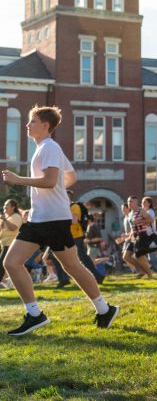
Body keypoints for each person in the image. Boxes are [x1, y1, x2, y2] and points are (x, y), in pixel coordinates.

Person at [0, 105, 118, 335]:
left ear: (45, 125)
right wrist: (54, 195)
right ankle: (35, 315)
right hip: (38, 218)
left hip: (54, 220)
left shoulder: (50, 147)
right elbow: (70, 177)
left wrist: (19, 180)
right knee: (11, 262)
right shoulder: (45, 148)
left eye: (32, 121)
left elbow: (50, 180)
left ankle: (104, 309)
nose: (27, 125)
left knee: (73, 266)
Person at [66, 190, 105, 285]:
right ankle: (94, 277)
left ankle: (97, 276)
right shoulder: (66, 207)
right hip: (70, 237)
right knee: (77, 258)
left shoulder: (74, 207)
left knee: (83, 258)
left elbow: (74, 221)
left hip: (76, 237)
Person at [0, 199, 24, 288]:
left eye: (7, 205)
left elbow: (13, 228)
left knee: (2, 263)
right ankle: (11, 282)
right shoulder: (5, 217)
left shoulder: (16, 216)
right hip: (3, 244)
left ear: (13, 207)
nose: (4, 207)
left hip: (11, 244)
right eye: (4, 205)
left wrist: (4, 220)